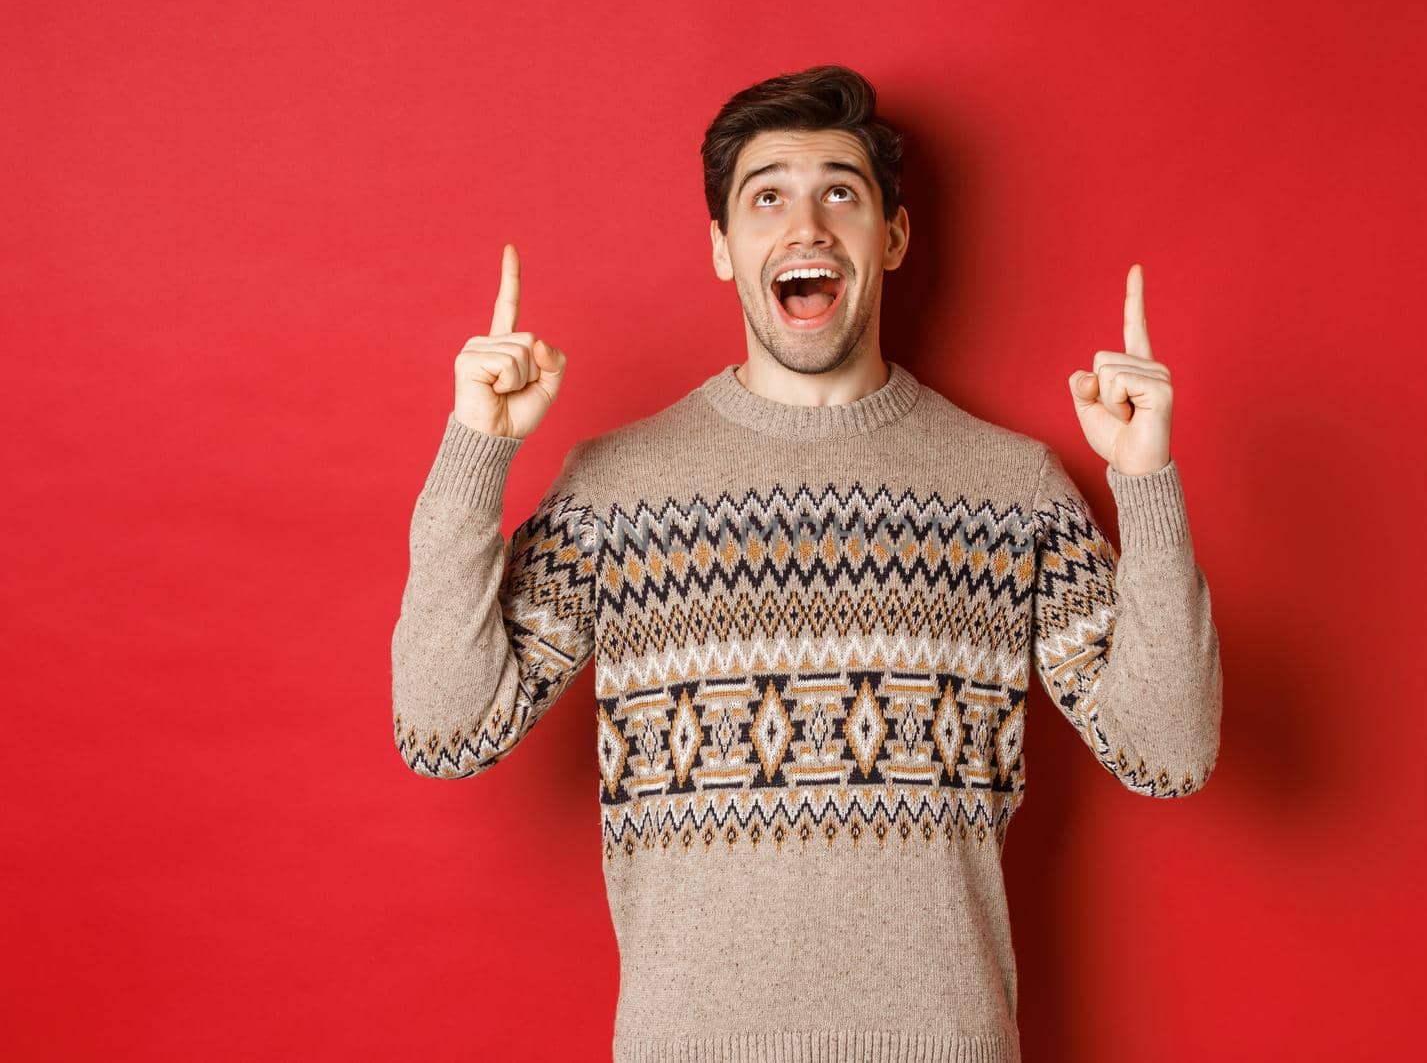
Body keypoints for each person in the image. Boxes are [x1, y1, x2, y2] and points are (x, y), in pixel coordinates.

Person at [391, 63, 1222, 1063]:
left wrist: (1145, 479)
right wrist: (476, 447)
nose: (807, 227)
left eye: (841, 192)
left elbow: (1169, 752)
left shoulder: (1010, 489)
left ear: (894, 237)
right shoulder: (617, 488)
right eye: (766, 196)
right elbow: (443, 730)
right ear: (720, 248)